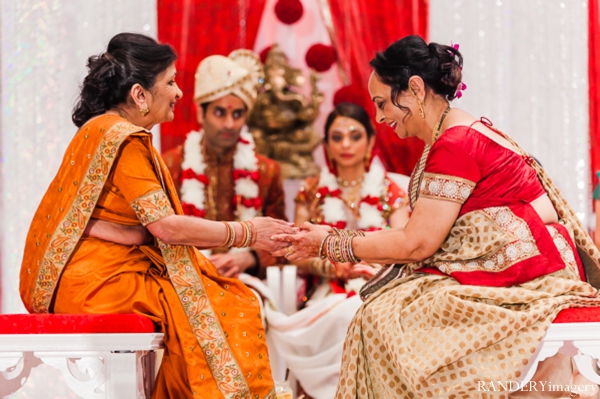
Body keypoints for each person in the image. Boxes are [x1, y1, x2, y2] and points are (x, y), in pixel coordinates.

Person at [272, 35, 600, 398]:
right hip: (523, 265)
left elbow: (417, 243)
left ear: (414, 88)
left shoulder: (456, 143)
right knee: (385, 309)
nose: (380, 117)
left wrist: (329, 243)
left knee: (384, 318)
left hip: (526, 274)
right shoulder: (461, 130)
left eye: (383, 103)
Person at [19, 33, 294, 399]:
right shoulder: (125, 139)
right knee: (232, 303)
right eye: (171, 81)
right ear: (139, 94)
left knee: (219, 295)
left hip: (82, 279)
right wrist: (248, 232)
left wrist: (135, 235)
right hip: (97, 285)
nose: (178, 92)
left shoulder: (98, 131)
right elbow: (165, 227)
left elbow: (85, 217)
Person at [265, 102, 409, 399]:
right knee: (346, 312)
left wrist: (370, 268)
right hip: (328, 290)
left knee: (363, 311)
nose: (346, 144)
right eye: (337, 136)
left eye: (355, 136)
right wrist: (335, 268)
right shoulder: (312, 191)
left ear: (370, 141)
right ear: (326, 145)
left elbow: (402, 247)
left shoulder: (390, 191)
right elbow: (298, 252)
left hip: (380, 287)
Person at [162, 49, 286, 280]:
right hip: (185, 282)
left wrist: (250, 258)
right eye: (220, 112)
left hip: (246, 284)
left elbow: (284, 244)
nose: (229, 123)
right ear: (201, 113)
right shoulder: (170, 166)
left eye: (237, 114)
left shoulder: (267, 172)